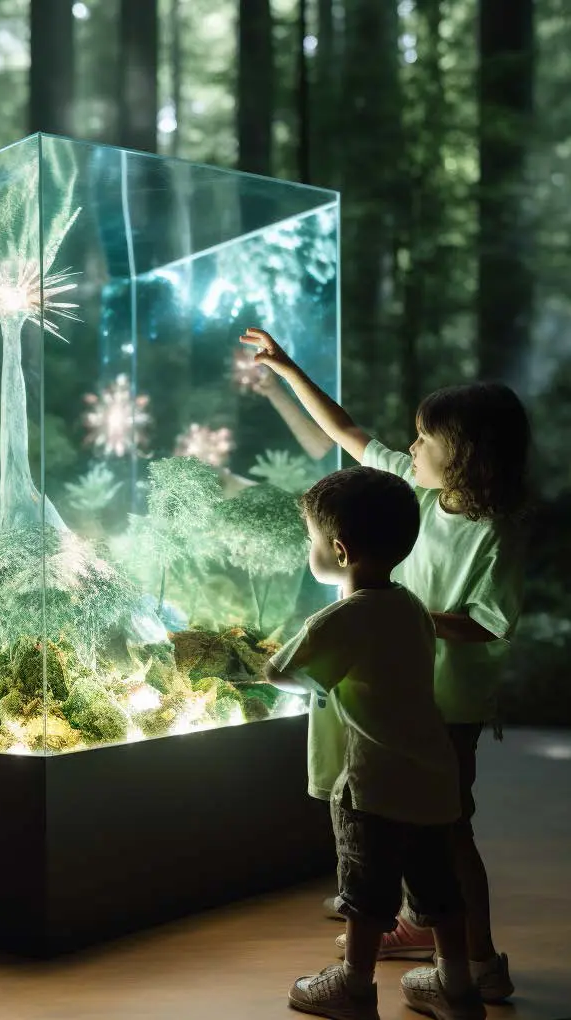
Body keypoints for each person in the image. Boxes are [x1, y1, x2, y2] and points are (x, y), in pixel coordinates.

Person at [242, 326, 529, 1005]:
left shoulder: (496, 532)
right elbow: (346, 430)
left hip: (450, 700)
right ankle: (417, 925)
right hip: (399, 687)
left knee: (448, 825)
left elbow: (490, 623)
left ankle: (482, 960)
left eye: (424, 440)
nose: (410, 448)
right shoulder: (416, 491)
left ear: (460, 456)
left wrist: (395, 617)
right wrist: (288, 369)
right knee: (406, 809)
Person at [266, 466, 484, 1020]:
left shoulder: (340, 617)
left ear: (338, 551)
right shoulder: (411, 605)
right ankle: (456, 987)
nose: (308, 547)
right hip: (434, 778)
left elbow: (281, 670)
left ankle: (355, 989)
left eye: (311, 540)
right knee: (438, 891)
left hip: (373, 784)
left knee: (365, 892)